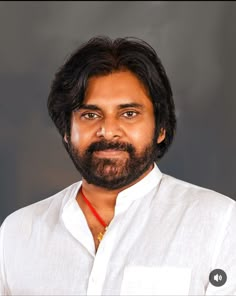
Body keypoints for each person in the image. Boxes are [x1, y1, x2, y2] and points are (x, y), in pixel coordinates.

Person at [0, 36, 235, 296]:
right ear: (66, 131)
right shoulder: (18, 231)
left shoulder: (219, 222)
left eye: (129, 114)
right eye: (90, 115)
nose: (108, 131)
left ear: (161, 128)